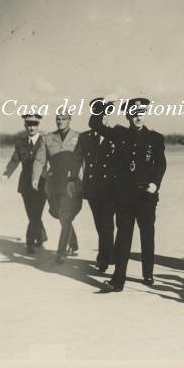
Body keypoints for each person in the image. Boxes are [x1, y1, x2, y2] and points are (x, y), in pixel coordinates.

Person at [90, 97, 167, 292]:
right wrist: (104, 104)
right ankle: (118, 280)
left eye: (141, 113)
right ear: (127, 115)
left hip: (146, 196)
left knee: (147, 234)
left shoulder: (156, 138)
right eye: (134, 113)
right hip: (124, 197)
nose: (138, 117)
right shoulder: (119, 133)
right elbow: (94, 123)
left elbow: (160, 164)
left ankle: (148, 273)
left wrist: (155, 184)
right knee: (123, 237)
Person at [74, 98, 119, 273]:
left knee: (107, 223)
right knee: (100, 224)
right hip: (92, 188)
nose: (103, 118)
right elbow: (78, 159)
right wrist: (72, 180)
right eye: (99, 114)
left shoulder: (116, 135)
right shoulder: (85, 137)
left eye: (106, 113)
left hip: (111, 188)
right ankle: (109, 254)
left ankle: (103, 258)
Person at [32, 113, 82, 264]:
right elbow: (40, 160)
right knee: (60, 214)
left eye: (64, 119)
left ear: (69, 120)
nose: (60, 122)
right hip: (53, 184)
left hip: (71, 182)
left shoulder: (79, 137)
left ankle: (61, 252)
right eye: (58, 119)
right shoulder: (47, 138)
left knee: (65, 215)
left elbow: (84, 160)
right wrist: (35, 177)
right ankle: (73, 243)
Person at [1, 114, 48, 253]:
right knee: (31, 214)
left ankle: (30, 242)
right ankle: (41, 236)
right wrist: (6, 173)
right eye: (29, 124)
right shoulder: (20, 142)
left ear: (38, 126)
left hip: (41, 183)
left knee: (35, 213)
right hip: (25, 185)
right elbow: (15, 160)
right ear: (25, 126)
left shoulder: (45, 141)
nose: (31, 127)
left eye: (34, 124)